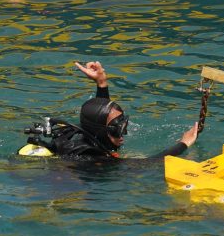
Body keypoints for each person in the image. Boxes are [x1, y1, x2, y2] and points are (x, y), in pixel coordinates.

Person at [22, 61, 198, 161]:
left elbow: (101, 118)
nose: (123, 133)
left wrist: (101, 84)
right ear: (101, 131)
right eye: (117, 128)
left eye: (123, 124)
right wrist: (183, 143)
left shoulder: (85, 133)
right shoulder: (93, 158)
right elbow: (148, 165)